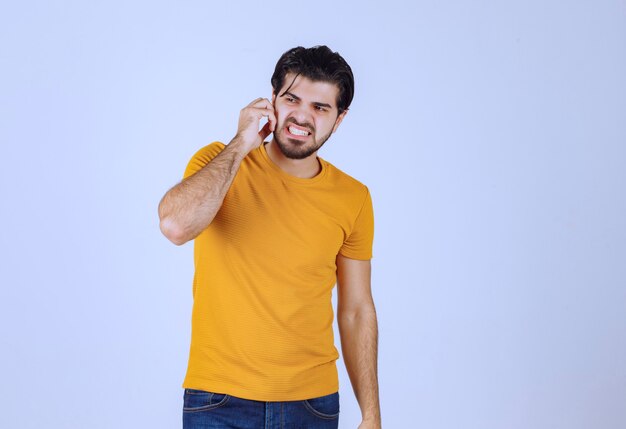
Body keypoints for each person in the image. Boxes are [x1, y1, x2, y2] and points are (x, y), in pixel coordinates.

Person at [158, 45, 381, 429]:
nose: (302, 116)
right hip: (219, 400)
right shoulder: (218, 163)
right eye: (292, 99)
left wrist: (372, 413)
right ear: (271, 99)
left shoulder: (353, 197)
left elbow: (357, 309)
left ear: (339, 119)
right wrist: (242, 143)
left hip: (312, 405)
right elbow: (176, 226)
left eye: (320, 107)